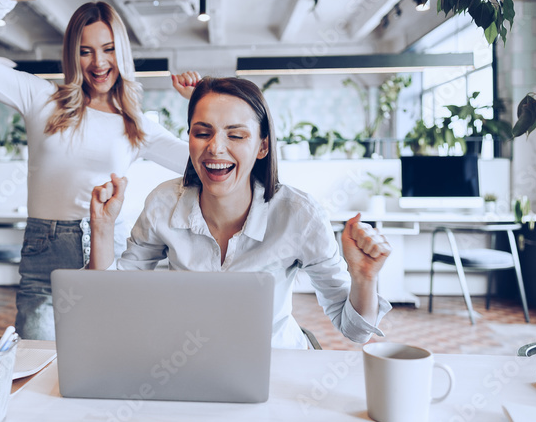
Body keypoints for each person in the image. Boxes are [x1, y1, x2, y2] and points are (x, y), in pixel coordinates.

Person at [0, 0, 195, 341]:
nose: (99, 63)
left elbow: (201, 164)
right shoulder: (41, 97)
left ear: (122, 52)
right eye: (86, 51)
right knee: (36, 363)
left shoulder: (137, 124)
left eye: (109, 49)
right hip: (45, 252)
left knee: (109, 358)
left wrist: (201, 107)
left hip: (108, 249)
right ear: (72, 55)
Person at [89, 77, 392, 349]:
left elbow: (355, 331)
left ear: (262, 147)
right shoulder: (163, 203)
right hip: (191, 364)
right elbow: (114, 301)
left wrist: (364, 277)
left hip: (278, 365)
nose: (215, 148)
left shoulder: (299, 214)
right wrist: (101, 229)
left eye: (236, 135)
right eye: (202, 133)